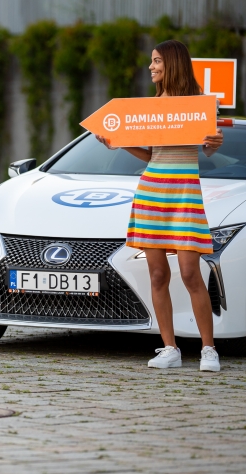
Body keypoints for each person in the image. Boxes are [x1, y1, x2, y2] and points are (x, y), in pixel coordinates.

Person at [96, 39, 224, 371]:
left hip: (184, 193)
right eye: (151, 61)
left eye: (156, 61)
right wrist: (117, 143)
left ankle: (209, 349)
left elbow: (208, 149)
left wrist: (214, 143)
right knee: (157, 274)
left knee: (190, 273)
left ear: (172, 63)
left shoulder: (200, 103)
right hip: (151, 192)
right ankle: (170, 349)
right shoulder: (151, 106)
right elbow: (152, 155)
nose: (151, 67)